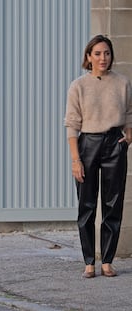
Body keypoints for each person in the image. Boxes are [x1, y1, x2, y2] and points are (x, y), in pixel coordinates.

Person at [65, 35, 132, 279]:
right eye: (97, 53)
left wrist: (129, 136)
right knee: (87, 204)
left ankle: (108, 261)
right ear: (88, 57)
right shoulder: (78, 86)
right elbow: (72, 125)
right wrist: (76, 159)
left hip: (115, 143)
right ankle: (89, 262)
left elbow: (129, 113)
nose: (103, 58)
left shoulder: (122, 83)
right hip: (88, 144)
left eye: (107, 53)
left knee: (113, 204)